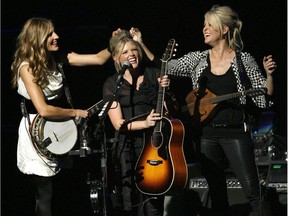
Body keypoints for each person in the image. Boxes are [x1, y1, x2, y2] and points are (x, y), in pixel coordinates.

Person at [156, 5, 276, 216]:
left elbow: (263, 98)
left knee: (253, 192)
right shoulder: (198, 59)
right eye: (204, 25)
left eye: (210, 25)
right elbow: (167, 66)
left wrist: (269, 75)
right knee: (217, 193)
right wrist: (140, 46)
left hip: (236, 133)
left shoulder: (243, 59)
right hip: (206, 136)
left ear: (224, 29)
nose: (204, 29)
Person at [10, 17, 115, 216]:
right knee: (45, 192)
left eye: (55, 32)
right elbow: (43, 109)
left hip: (60, 128)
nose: (56, 36)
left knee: (63, 188)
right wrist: (75, 112)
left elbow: (98, 59)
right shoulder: (26, 68)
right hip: (37, 131)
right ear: (38, 38)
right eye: (50, 34)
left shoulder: (58, 58)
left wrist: (115, 42)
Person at [102, 30, 171, 216]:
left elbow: (167, 112)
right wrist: (145, 123)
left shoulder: (154, 75)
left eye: (134, 50)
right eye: (125, 52)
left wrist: (165, 93)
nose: (131, 54)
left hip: (152, 146)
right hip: (126, 147)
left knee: (152, 199)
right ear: (116, 57)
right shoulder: (112, 84)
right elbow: (118, 124)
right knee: (130, 199)